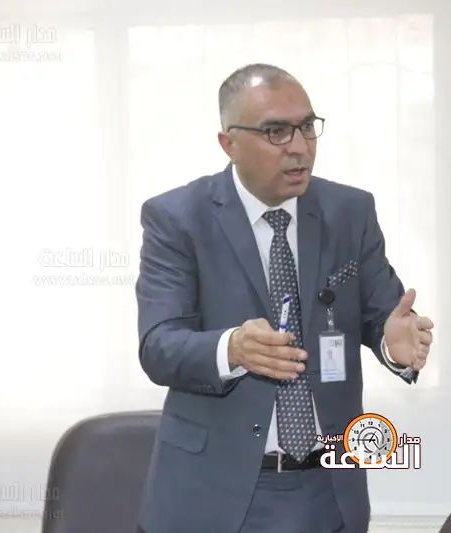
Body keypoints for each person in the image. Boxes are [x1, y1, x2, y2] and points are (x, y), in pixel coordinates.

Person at [134, 63, 435, 533]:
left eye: (307, 127)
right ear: (229, 143)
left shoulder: (349, 211)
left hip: (329, 489)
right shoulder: (177, 218)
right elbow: (159, 346)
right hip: (214, 495)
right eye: (276, 131)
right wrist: (232, 348)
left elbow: (383, 314)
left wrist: (394, 343)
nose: (299, 146)